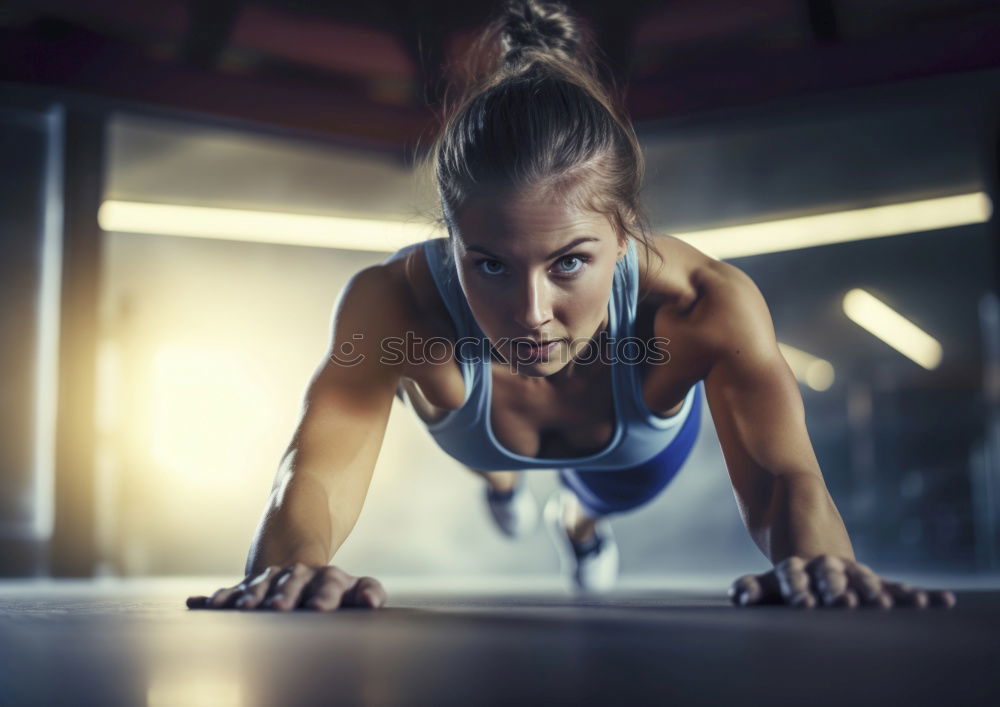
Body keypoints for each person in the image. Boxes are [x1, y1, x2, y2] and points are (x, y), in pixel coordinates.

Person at [187, 0, 955, 612]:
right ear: (450, 237)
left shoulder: (702, 305)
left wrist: (819, 566)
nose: (529, 311)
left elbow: (787, 475)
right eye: (488, 262)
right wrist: (288, 572)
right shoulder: (394, 307)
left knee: (597, 498)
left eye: (569, 264)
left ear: (624, 234)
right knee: (480, 434)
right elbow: (311, 470)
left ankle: (574, 521)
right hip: (483, 427)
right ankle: (504, 480)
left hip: (629, 455)